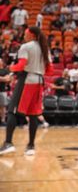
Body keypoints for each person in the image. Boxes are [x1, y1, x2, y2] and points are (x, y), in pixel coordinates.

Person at [0, 26, 50, 156]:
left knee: (12, 111)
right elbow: (49, 69)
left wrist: (11, 68)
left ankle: (8, 143)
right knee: (33, 114)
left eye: (26, 33)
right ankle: (31, 146)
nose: (24, 35)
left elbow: (21, 65)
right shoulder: (44, 49)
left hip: (27, 80)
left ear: (32, 35)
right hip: (39, 81)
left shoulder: (26, 47)